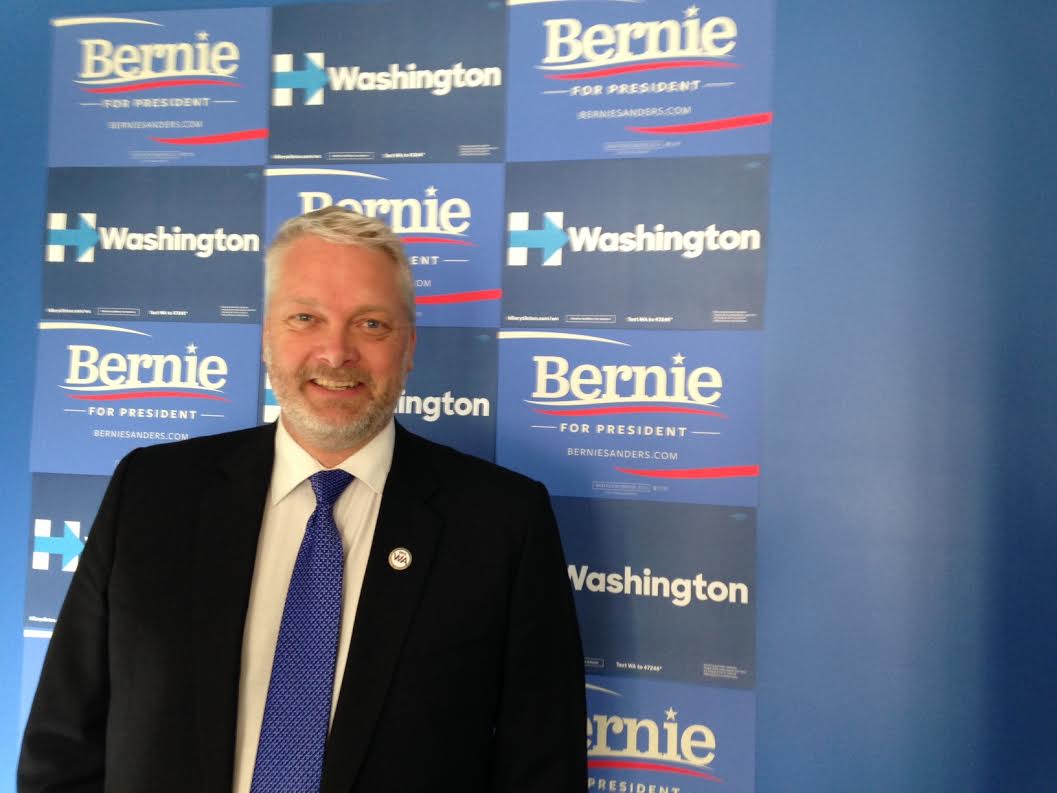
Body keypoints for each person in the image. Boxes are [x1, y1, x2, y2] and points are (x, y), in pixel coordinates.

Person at [18, 207, 586, 793]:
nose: (336, 353)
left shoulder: (502, 523)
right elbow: (64, 741)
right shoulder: (153, 491)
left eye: (371, 325)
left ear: (410, 346)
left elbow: (542, 767)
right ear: (267, 337)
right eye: (305, 317)